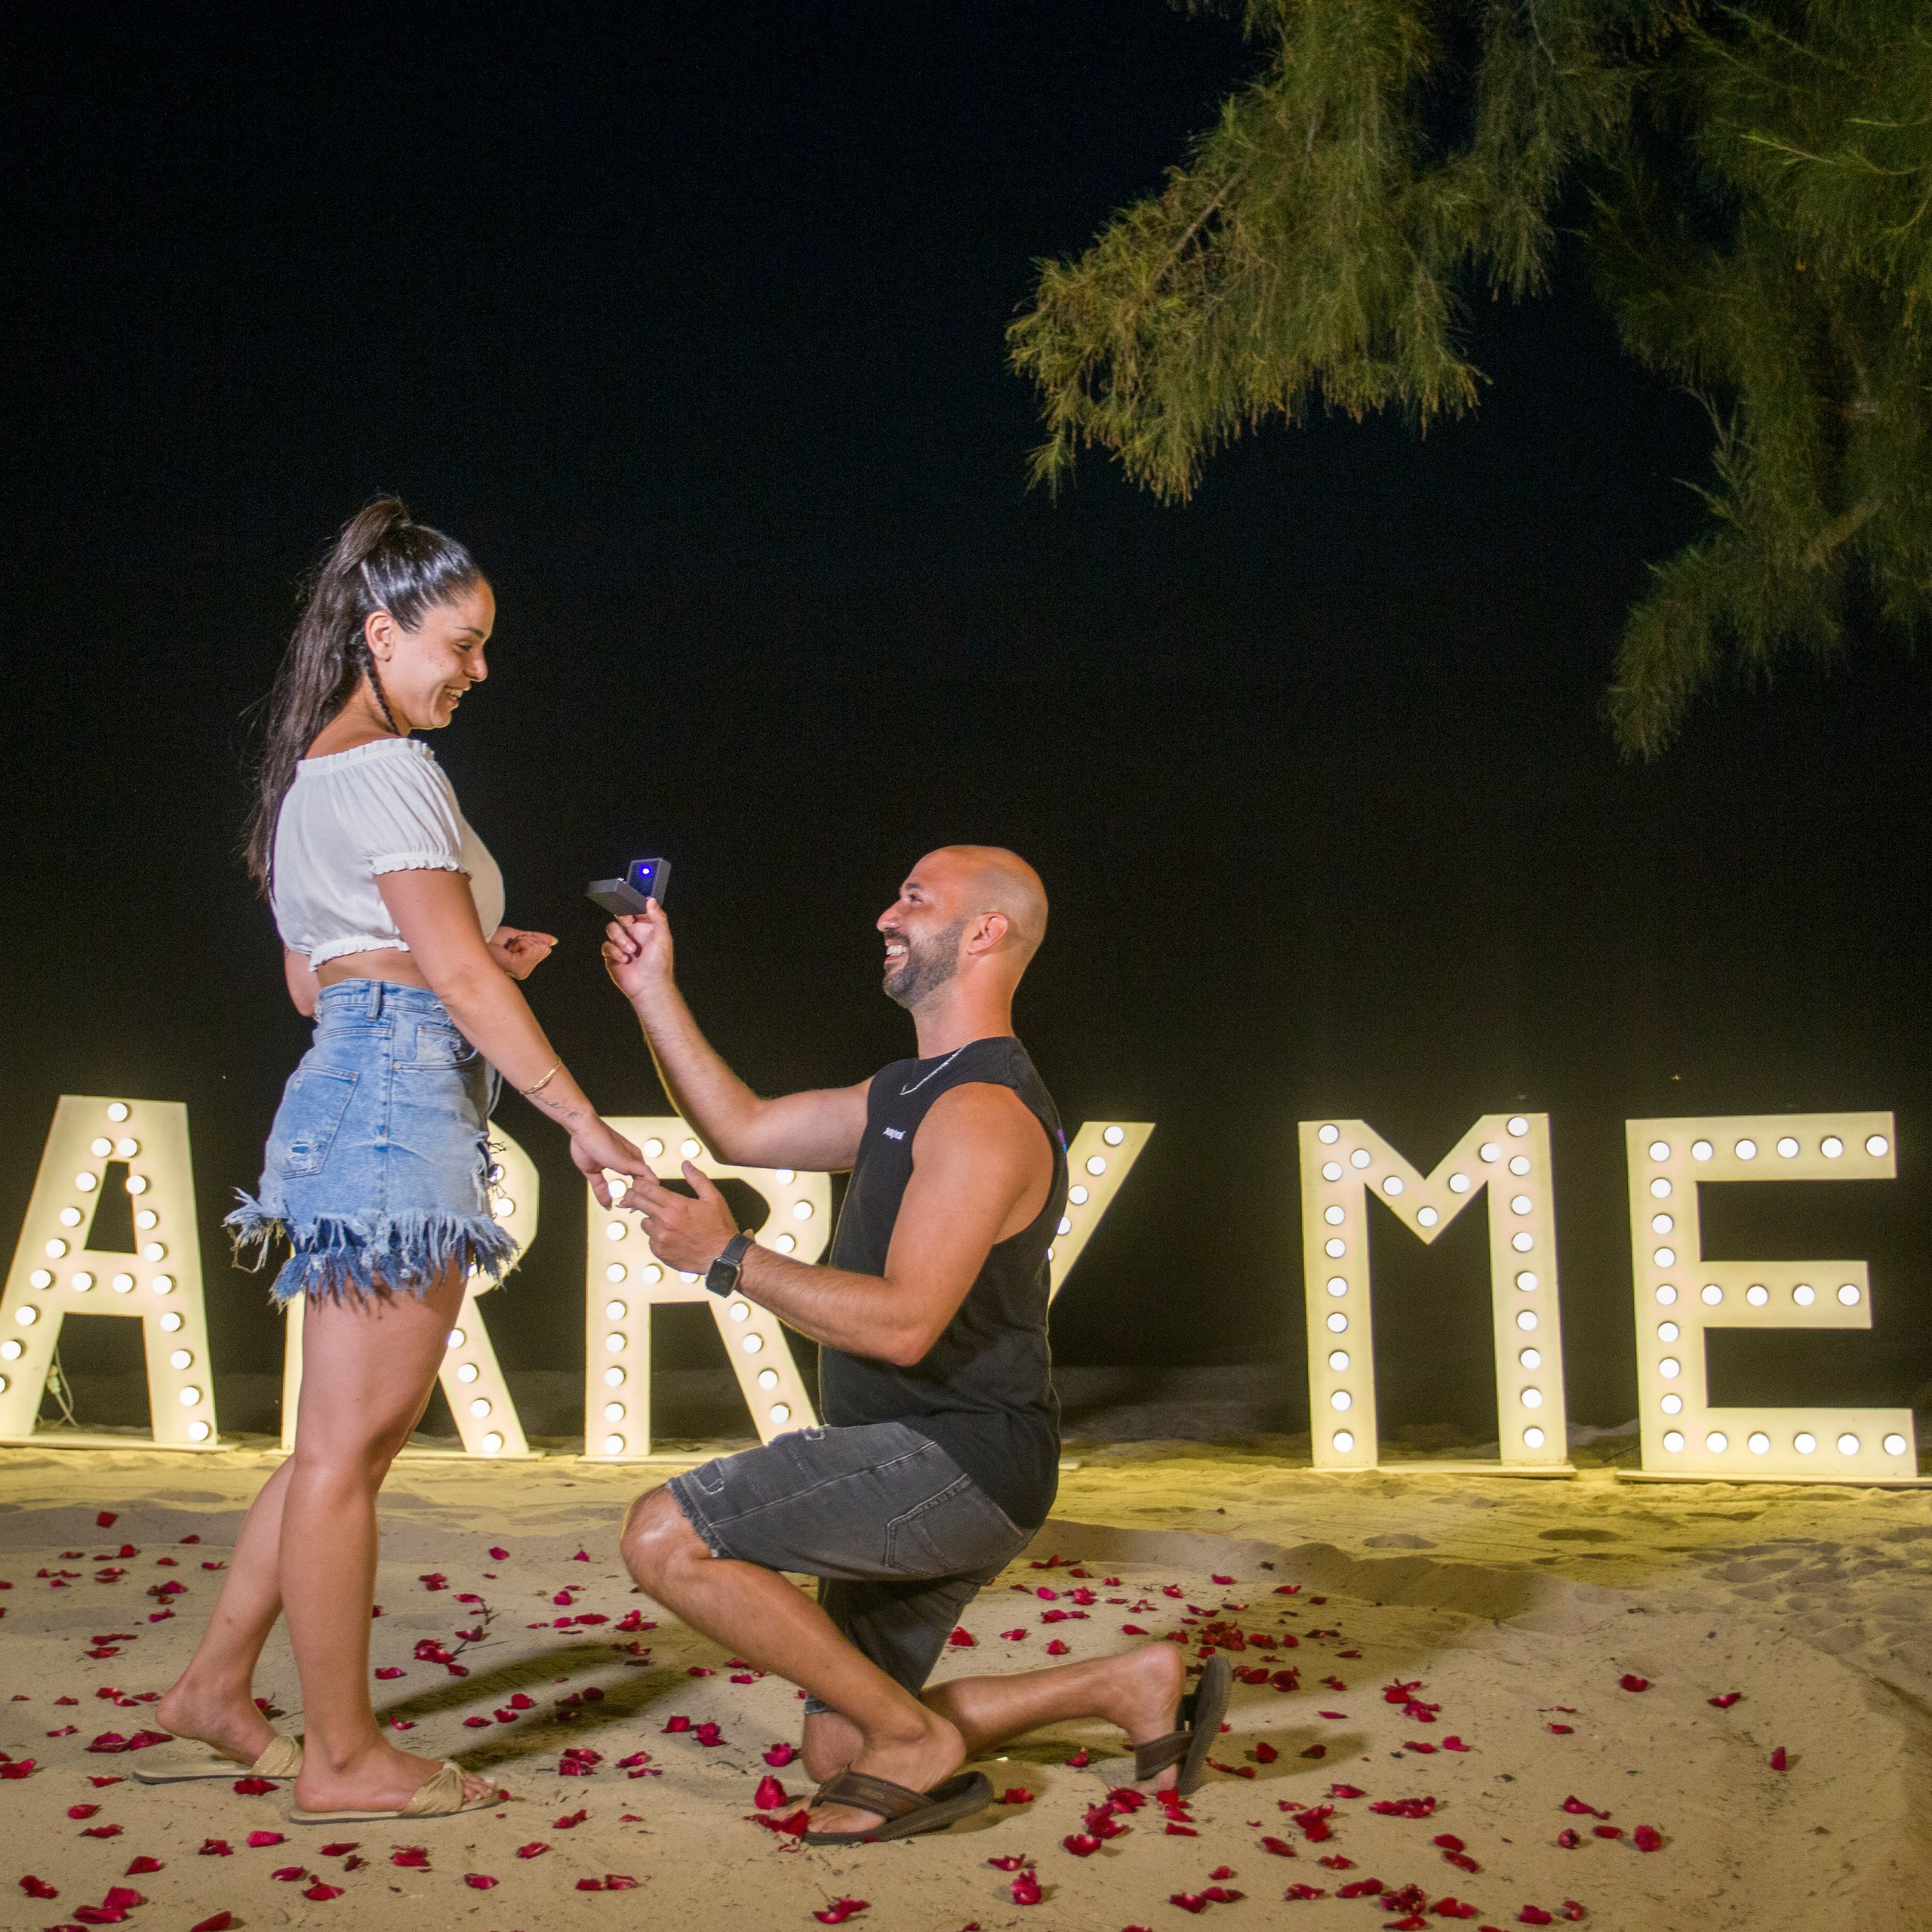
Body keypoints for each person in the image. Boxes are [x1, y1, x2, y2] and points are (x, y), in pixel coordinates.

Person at [144, 498, 649, 1825]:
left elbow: (320, 985)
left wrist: (469, 960)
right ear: (382, 631)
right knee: (344, 1458)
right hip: (394, 1103)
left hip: (347, 1083)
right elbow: (450, 989)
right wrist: (580, 1117)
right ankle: (343, 1757)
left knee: (329, 1448)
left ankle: (211, 1691)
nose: (478, 673)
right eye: (463, 645)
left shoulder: (310, 780)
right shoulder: (397, 775)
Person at [600, 846, 1229, 1845]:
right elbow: (745, 1127)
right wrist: (652, 989)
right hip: (906, 1455)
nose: (886, 915)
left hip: (957, 1463)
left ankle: (916, 1737)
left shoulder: (984, 1112)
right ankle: (1125, 1682)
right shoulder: (908, 1090)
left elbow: (901, 1323)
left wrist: (725, 1257)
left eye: (914, 899)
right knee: (837, 1760)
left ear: (985, 934)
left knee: (664, 1536)